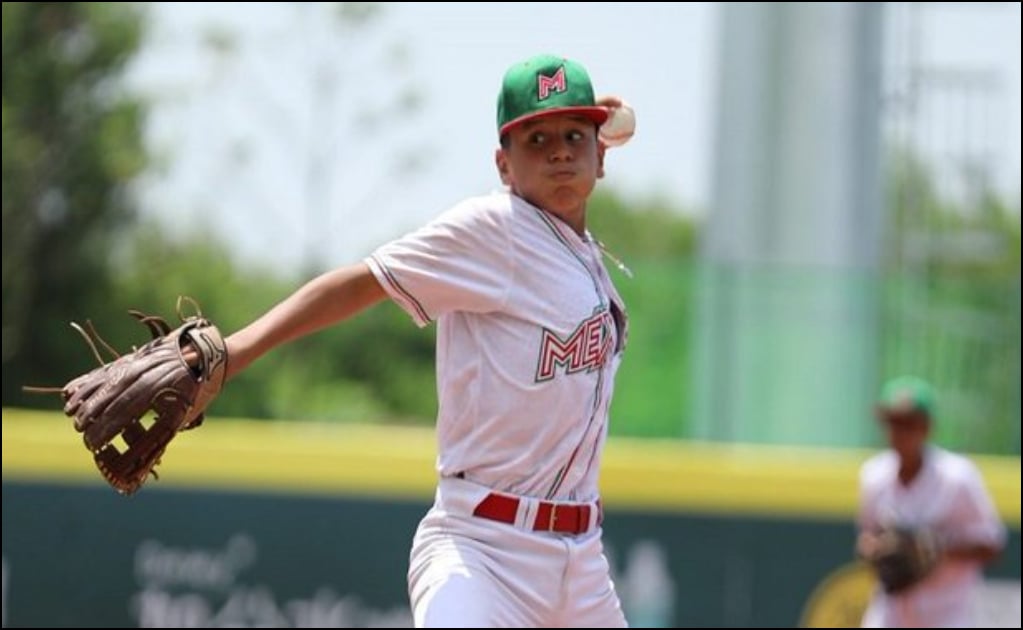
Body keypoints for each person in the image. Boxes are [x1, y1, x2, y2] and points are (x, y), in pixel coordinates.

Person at [222, 53, 631, 627]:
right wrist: (235, 353)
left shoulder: (584, 255)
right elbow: (361, 282)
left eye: (573, 136)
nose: (560, 151)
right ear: (504, 165)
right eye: (535, 139)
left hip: (581, 562)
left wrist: (590, 126)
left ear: (601, 156)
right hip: (483, 550)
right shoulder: (495, 231)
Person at [856, 376, 1006, 628]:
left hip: (947, 615)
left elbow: (992, 544)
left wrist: (936, 548)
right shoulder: (873, 476)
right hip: (891, 613)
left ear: (926, 427)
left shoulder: (958, 477)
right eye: (893, 422)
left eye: (908, 424)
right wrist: (877, 550)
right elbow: (866, 539)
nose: (898, 432)